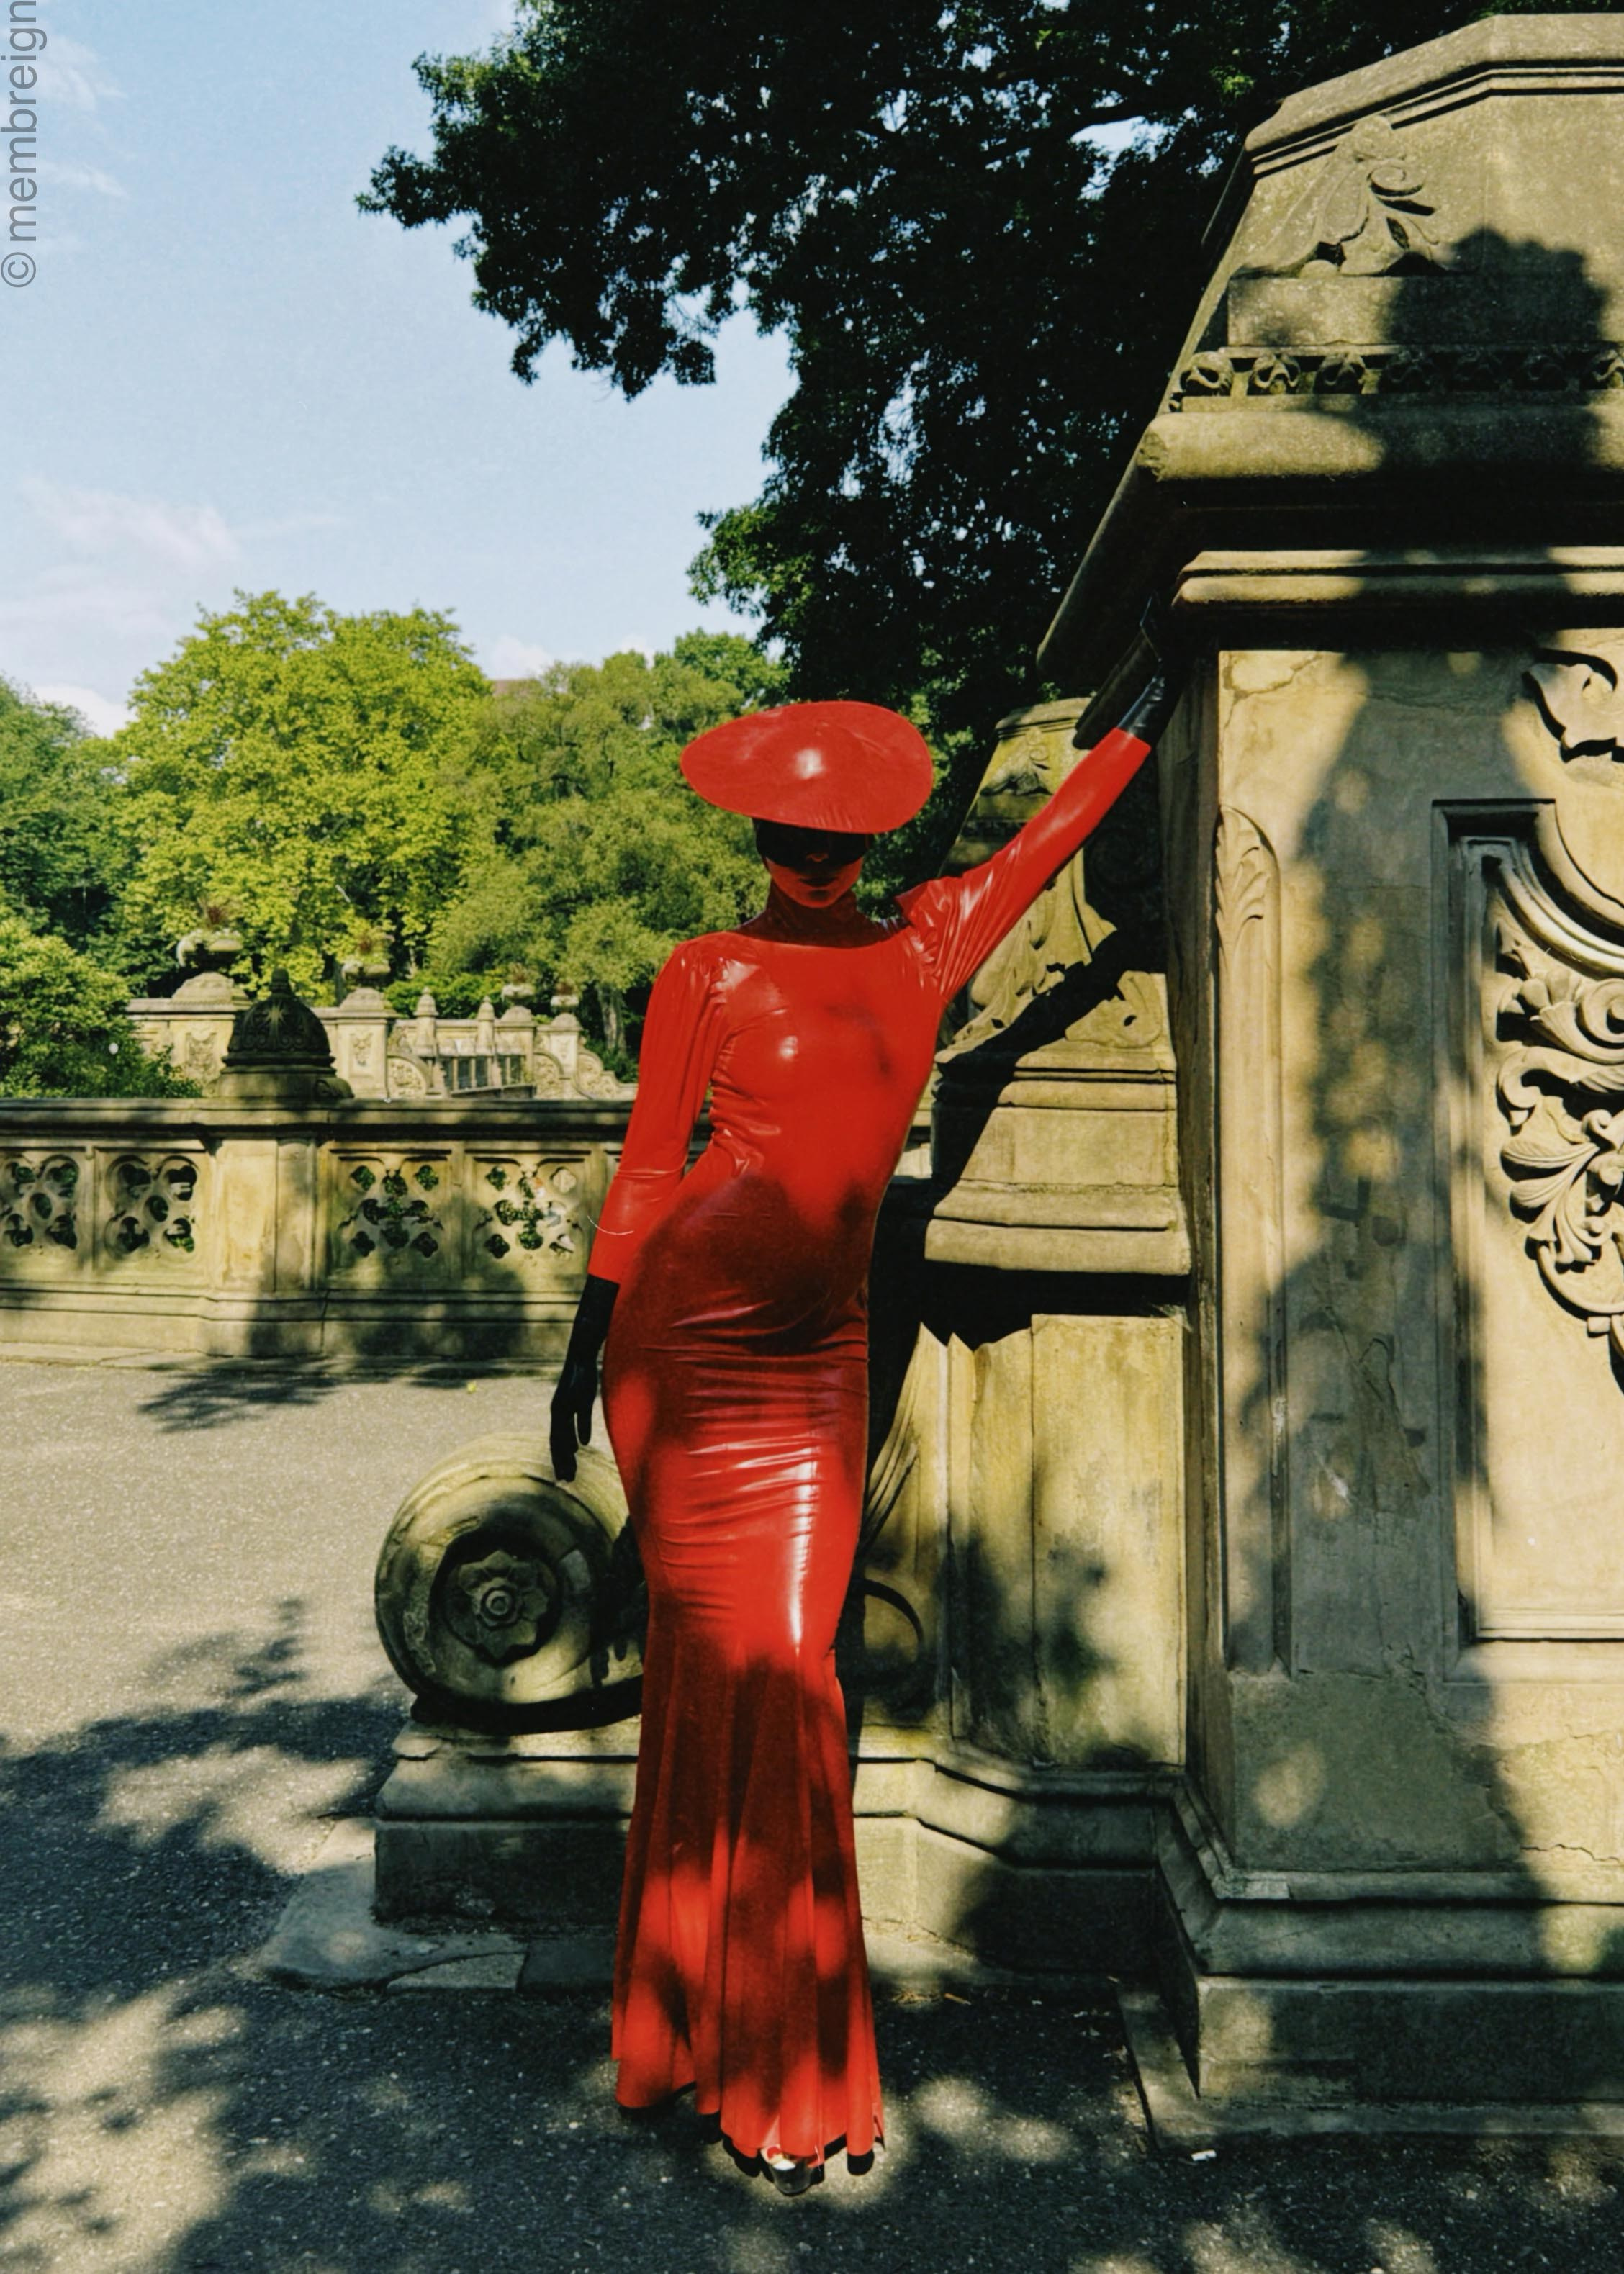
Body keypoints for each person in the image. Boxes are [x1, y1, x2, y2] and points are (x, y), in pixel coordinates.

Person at [549, 669, 1176, 2192]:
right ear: (774, 834)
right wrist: (585, 1346)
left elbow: (1052, 832)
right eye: (803, 833)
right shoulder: (709, 969)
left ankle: (773, 2053)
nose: (814, 852)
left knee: (789, 1669)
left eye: (821, 835)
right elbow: (647, 1172)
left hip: (820, 1353)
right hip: (682, 1347)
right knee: (714, 1672)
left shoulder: (927, 936)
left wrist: (1150, 701)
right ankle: (704, 2043)